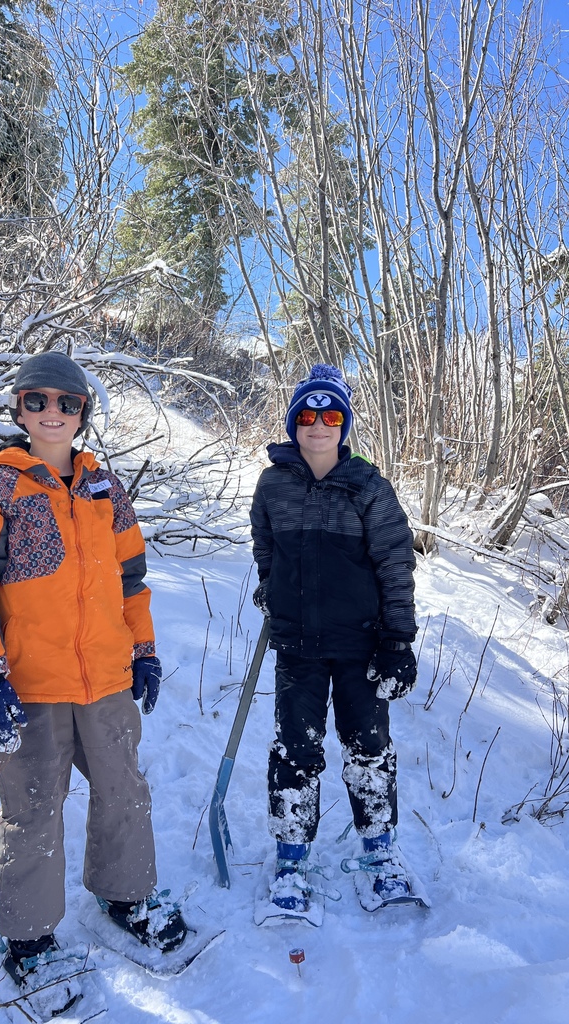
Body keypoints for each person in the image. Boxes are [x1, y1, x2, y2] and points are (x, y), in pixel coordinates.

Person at [0, 351, 186, 1010]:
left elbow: (130, 581)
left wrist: (143, 651)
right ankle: (27, 940)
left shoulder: (107, 490)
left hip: (105, 677)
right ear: (18, 408)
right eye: (38, 401)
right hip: (32, 685)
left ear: (82, 413)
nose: (52, 413)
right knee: (31, 808)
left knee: (123, 788)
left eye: (67, 403)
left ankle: (124, 894)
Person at [249, 363, 418, 915]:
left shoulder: (368, 485)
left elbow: (395, 563)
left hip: (361, 645)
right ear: (294, 422)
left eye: (331, 415)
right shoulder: (273, 483)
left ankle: (380, 853)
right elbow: (265, 545)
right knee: (295, 750)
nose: (318, 425)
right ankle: (292, 859)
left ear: (344, 425)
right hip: (298, 644)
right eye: (307, 415)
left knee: (369, 748)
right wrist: (271, 588)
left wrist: (397, 641)